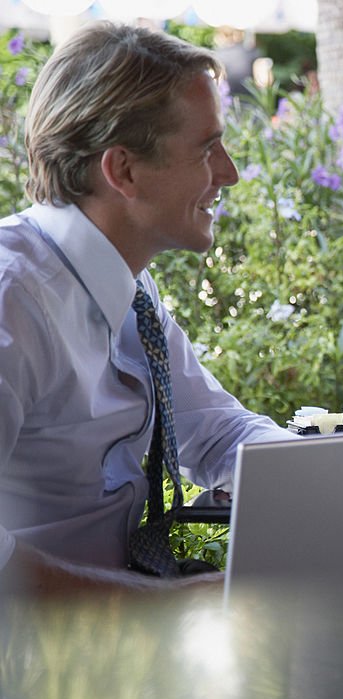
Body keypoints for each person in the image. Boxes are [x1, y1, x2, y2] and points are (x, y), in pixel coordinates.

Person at [0, 22, 299, 595]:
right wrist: (158, 608)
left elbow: (215, 433)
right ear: (123, 171)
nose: (229, 174)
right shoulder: (14, 299)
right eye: (208, 148)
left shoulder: (128, 291)